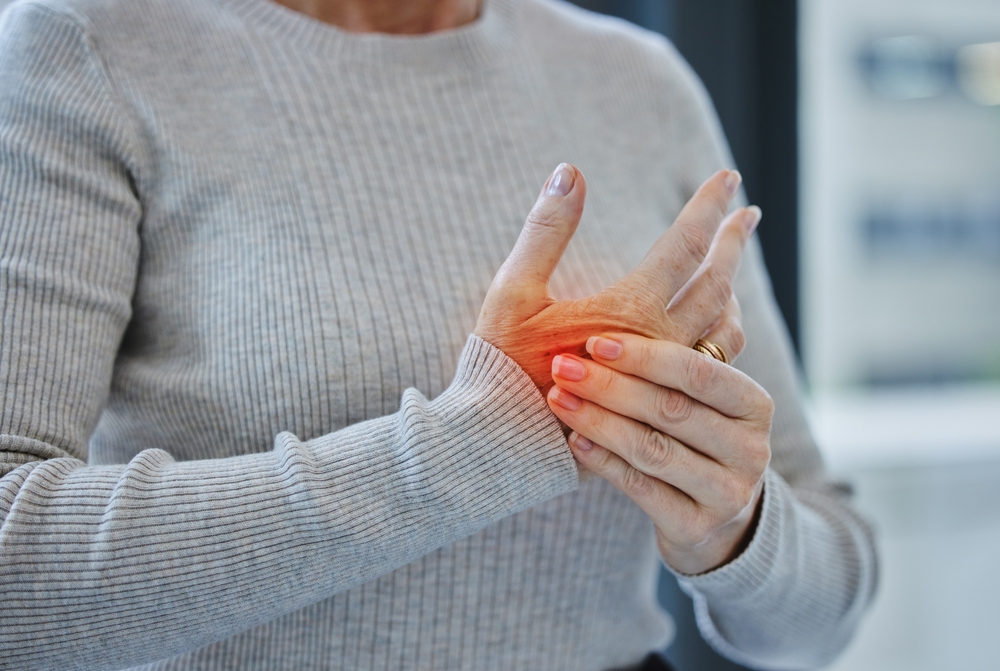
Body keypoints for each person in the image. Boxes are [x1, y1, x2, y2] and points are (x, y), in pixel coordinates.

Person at [0, 0, 877, 669]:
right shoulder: (90, 47)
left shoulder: (638, 81)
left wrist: (731, 529)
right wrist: (472, 446)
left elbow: (826, 604)